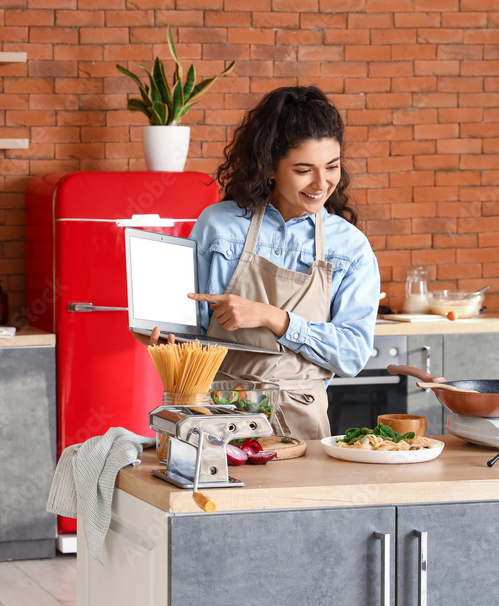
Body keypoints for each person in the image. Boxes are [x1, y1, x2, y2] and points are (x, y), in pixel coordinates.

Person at [144, 85, 380, 439]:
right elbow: (190, 328)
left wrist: (275, 319)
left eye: (331, 166)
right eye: (304, 170)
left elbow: (352, 354)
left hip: (301, 426)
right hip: (214, 415)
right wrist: (170, 341)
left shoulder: (349, 247)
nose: (322, 183)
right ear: (270, 166)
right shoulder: (219, 225)